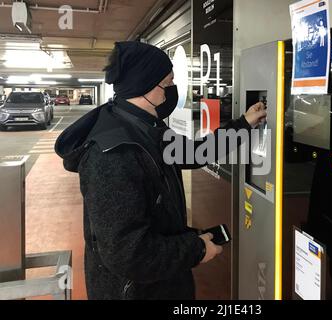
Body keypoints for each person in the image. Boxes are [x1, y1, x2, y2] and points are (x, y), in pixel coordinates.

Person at [55, 41, 266, 300]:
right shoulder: (113, 152)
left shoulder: (144, 127)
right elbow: (129, 253)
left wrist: (244, 123)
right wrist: (196, 249)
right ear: (145, 85)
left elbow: (196, 153)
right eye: (167, 82)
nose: (171, 88)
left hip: (159, 285)